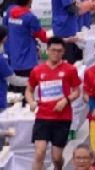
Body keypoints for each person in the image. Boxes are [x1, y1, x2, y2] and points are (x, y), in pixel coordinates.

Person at [27, 37, 81, 170]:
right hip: (43, 117)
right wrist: (31, 102)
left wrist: (66, 100)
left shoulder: (70, 69)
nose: (56, 53)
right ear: (47, 50)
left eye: (59, 51)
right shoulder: (37, 70)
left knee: (56, 158)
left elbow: (76, 91)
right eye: (53, 50)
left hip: (62, 117)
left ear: (63, 52)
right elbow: (29, 90)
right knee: (39, 153)